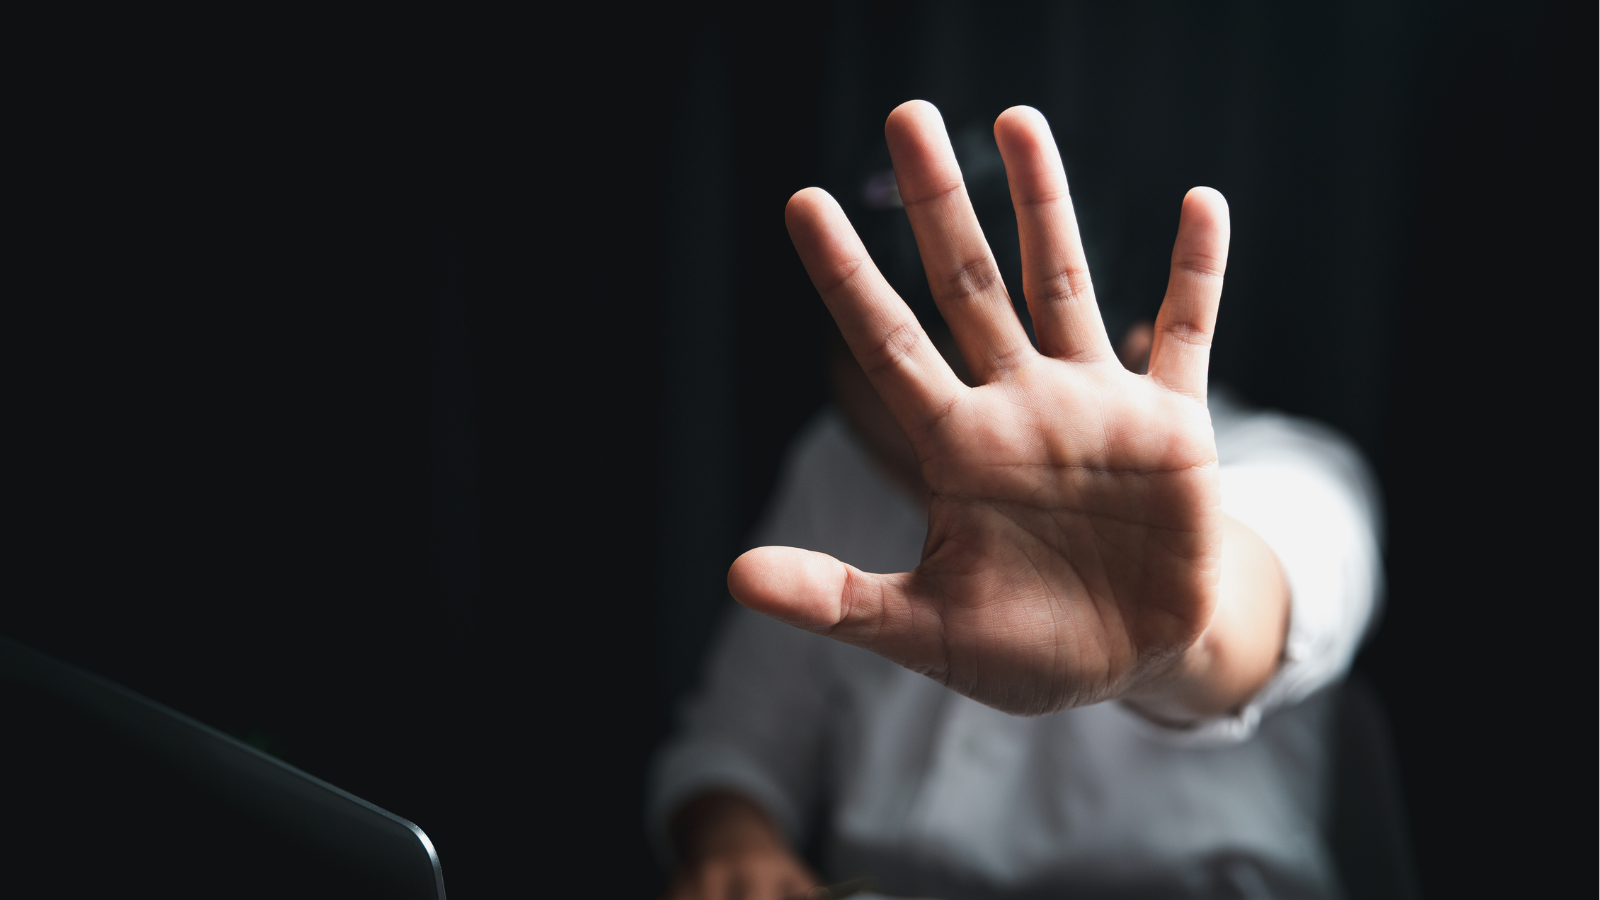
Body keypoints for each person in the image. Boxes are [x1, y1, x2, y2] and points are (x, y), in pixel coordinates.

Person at [650, 102, 1382, 900]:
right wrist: (735, 840)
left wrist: (1177, 639)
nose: (949, 494)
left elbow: (1254, 613)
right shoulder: (838, 464)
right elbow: (735, 742)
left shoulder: (1298, 477)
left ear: (1134, 354)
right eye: (895, 441)